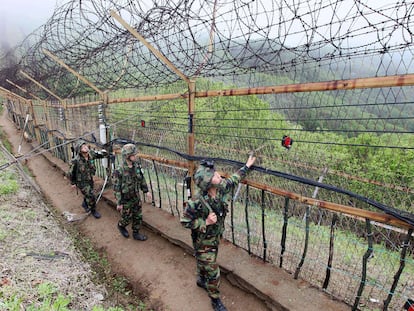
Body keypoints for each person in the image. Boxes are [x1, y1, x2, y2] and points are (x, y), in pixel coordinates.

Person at [181, 154, 256, 311]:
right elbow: (185, 221)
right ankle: (215, 300)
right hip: (202, 241)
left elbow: (233, 180)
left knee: (207, 262)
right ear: (208, 183)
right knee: (213, 271)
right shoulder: (196, 201)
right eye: (214, 175)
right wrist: (205, 222)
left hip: (215, 237)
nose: (218, 175)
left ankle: (201, 279)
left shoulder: (221, 189)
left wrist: (247, 166)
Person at [113, 143, 152, 241]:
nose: (136, 156)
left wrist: (146, 191)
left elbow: (141, 179)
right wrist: (119, 202)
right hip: (125, 199)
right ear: (128, 156)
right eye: (134, 155)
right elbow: (117, 188)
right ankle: (121, 226)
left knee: (138, 215)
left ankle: (136, 233)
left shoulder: (136, 166)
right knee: (126, 218)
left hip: (135, 196)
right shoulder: (119, 170)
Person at [68, 139, 107, 219]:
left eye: (85, 145)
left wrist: (107, 153)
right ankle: (93, 210)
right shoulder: (76, 161)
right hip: (81, 182)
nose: (85, 147)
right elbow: (71, 173)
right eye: (83, 147)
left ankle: (85, 204)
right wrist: (73, 183)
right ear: (79, 150)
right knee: (91, 195)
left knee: (88, 194)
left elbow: (99, 154)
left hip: (89, 179)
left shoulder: (91, 154)